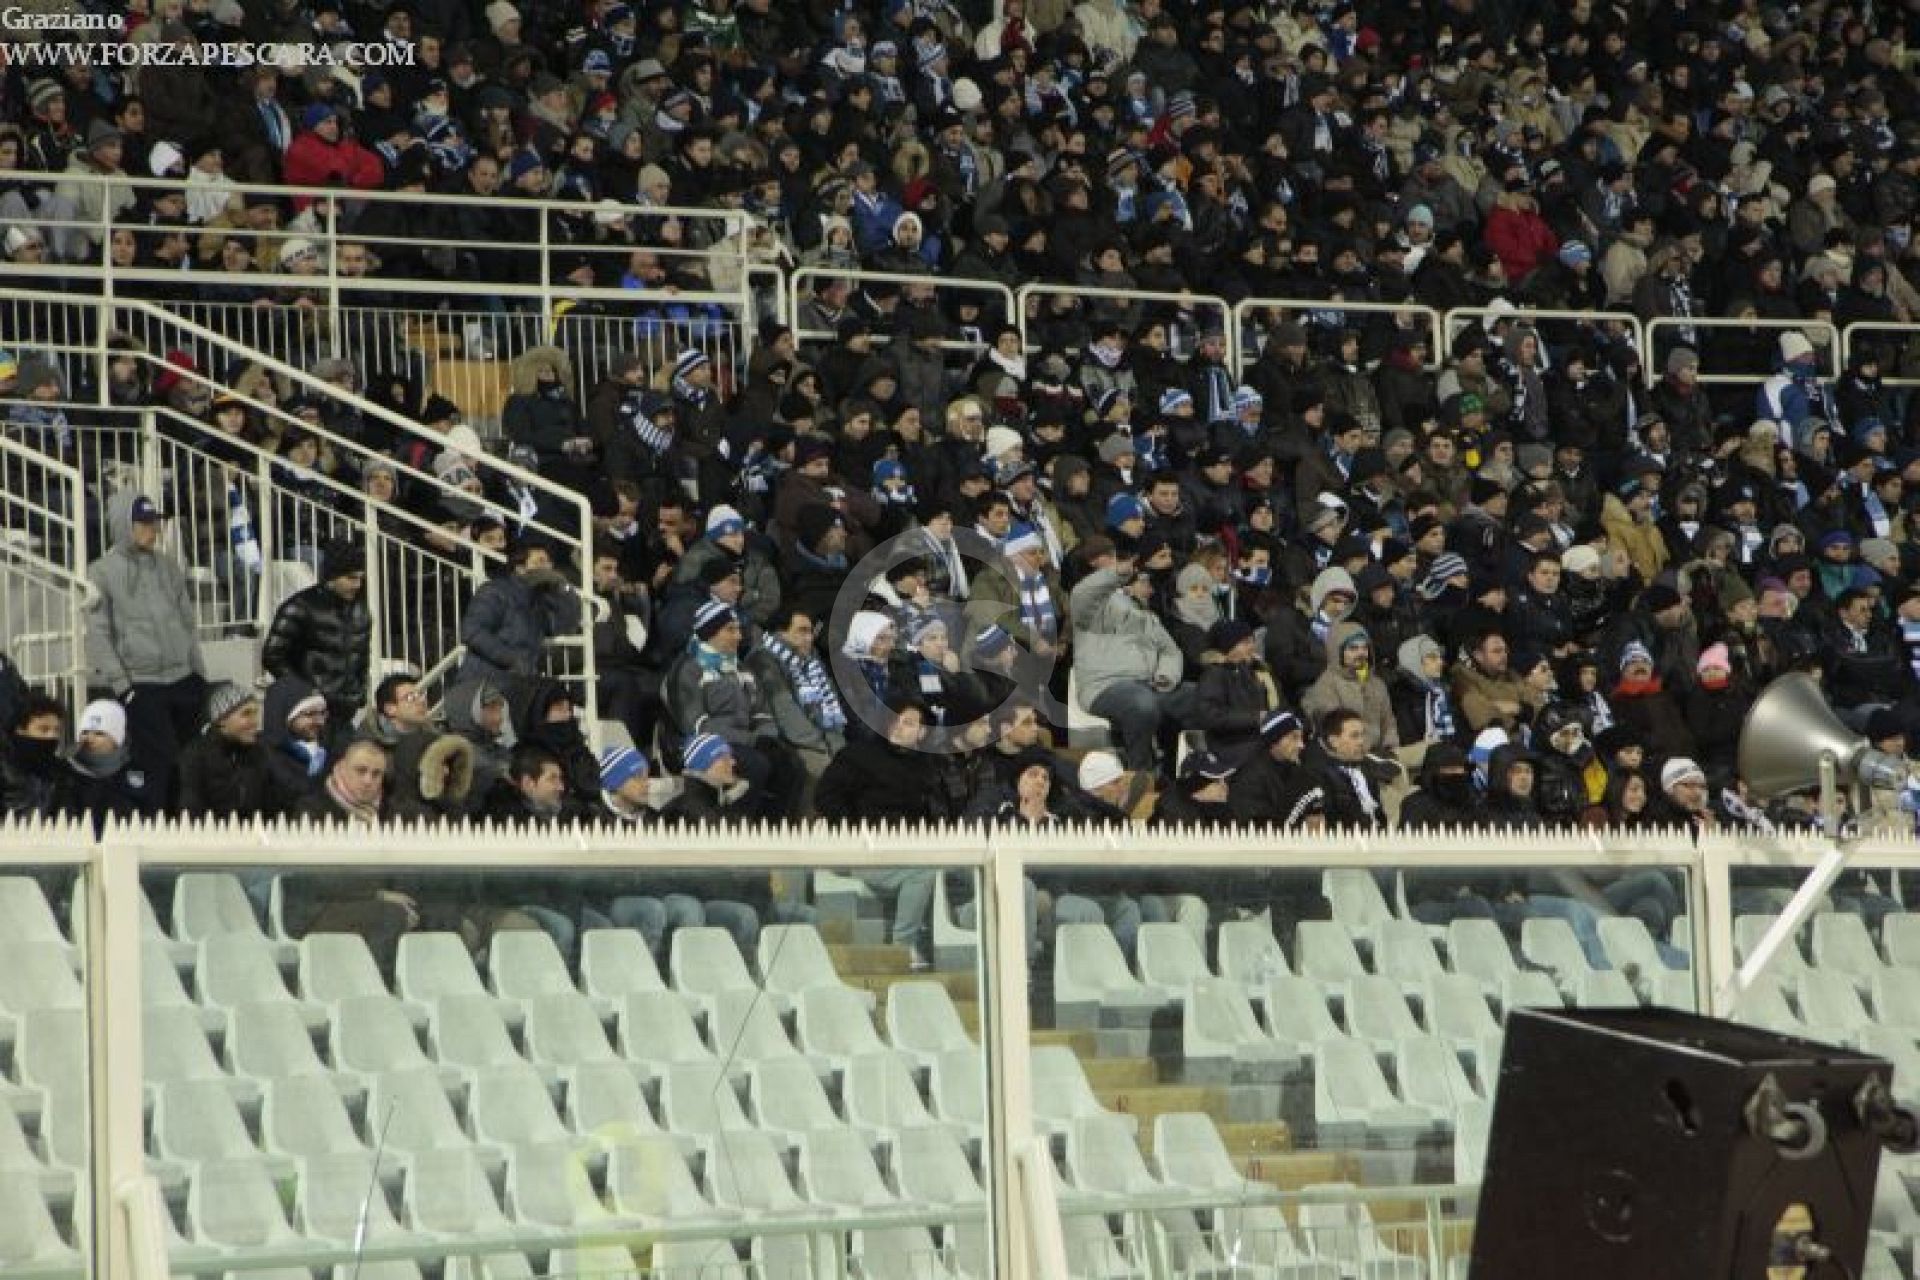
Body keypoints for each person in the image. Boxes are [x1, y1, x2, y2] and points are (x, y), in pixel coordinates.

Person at [84, 492, 207, 803]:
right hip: (142, 683)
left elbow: (188, 624)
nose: (153, 529)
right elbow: (98, 633)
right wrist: (123, 686)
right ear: (124, 526)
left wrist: (199, 674)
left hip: (184, 679)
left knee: (190, 762)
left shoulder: (169, 566)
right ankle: (157, 823)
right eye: (144, 523)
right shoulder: (100, 572)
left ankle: (185, 822)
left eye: (155, 522)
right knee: (157, 762)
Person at [815, 704, 944, 968]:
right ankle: (902, 948)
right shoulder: (858, 756)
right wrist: (856, 833)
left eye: (908, 723)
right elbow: (825, 797)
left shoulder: (928, 767)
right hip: (864, 852)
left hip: (910, 850)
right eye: (895, 720)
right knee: (923, 871)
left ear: (922, 733)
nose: (898, 726)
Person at [261, 538, 373, 726]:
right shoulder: (299, 606)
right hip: (308, 714)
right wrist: (305, 693)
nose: (358, 584)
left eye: (360, 578)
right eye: (351, 578)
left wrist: (359, 693)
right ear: (332, 577)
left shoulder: (360, 610)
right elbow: (272, 656)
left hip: (345, 712)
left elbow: (362, 656)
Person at [457, 539, 583, 682]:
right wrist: (512, 659)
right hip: (484, 679)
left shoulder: (543, 600)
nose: (548, 568)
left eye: (549, 562)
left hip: (520, 680)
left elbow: (566, 626)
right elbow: (472, 632)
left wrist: (563, 588)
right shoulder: (495, 591)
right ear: (520, 568)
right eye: (540, 562)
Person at [175, 681, 284, 820]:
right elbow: (190, 811)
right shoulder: (194, 757)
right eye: (246, 714)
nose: (255, 722)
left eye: (256, 713)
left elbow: (276, 805)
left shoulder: (260, 753)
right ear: (221, 719)